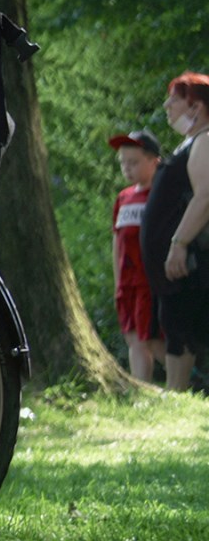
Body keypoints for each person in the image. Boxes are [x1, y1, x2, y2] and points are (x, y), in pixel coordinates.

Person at [142, 72, 209, 391]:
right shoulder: (191, 142)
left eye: (175, 99)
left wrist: (179, 243)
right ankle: (176, 394)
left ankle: (177, 396)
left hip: (191, 263)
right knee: (175, 327)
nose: (167, 105)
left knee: (184, 330)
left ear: (195, 107)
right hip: (175, 273)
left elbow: (206, 195)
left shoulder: (206, 141)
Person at [107, 130, 166, 383]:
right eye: (123, 163)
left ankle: (189, 381)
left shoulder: (162, 195)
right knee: (133, 337)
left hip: (149, 281)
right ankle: (141, 388)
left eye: (133, 162)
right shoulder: (124, 198)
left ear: (154, 161)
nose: (127, 169)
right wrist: (118, 280)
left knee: (151, 338)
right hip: (127, 282)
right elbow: (117, 241)